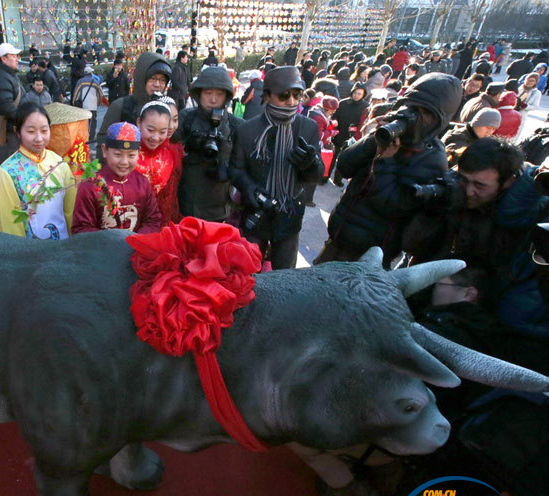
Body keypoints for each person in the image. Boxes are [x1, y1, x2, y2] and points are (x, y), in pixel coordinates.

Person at [403, 139, 549, 339]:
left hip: (479, 314)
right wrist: (434, 213)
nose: (469, 191)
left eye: (480, 185)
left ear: (509, 181)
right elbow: (415, 246)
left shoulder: (526, 214)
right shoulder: (454, 192)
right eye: (464, 179)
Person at [314, 73, 462, 265]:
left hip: (370, 257)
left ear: (438, 120)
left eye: (424, 112)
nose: (413, 116)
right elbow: (344, 166)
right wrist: (372, 141)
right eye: (411, 106)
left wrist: (385, 161)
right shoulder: (388, 134)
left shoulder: (432, 158)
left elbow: (394, 205)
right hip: (337, 240)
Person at [230, 66, 324, 269]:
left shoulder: (308, 127)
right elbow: (235, 170)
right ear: (267, 96)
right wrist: (249, 188)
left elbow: (315, 176)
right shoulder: (247, 129)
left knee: (285, 276)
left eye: (297, 94)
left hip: (290, 214)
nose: (291, 101)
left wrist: (310, 164)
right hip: (256, 212)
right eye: (284, 95)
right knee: (247, 271)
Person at [0, 102, 76, 239]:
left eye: (44, 131)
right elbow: (9, 225)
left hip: (64, 246)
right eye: (31, 131)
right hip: (31, 254)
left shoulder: (59, 163)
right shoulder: (7, 173)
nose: (39, 138)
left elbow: (71, 210)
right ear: (17, 131)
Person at [176, 66, 243, 222]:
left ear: (227, 96)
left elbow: (245, 167)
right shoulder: (186, 118)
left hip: (220, 208)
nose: (213, 99)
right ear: (199, 94)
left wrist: (227, 169)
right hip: (187, 203)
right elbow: (168, 154)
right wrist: (188, 148)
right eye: (208, 93)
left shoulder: (235, 125)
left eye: (219, 94)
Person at [72, 122, 163, 234]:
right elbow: (81, 227)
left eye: (131, 155)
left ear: (139, 153)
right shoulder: (90, 186)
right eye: (118, 154)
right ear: (105, 151)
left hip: (136, 247)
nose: (124, 162)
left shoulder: (143, 183)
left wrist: (136, 241)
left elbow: (153, 220)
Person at [97, 52, 171, 148]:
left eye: (162, 80)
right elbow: (103, 142)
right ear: (141, 78)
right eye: (152, 78)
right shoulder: (120, 106)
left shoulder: (167, 108)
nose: (157, 84)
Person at [135, 100, 181, 224]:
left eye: (162, 132)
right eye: (150, 130)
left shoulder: (173, 153)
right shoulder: (128, 154)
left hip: (163, 224)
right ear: (139, 123)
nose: (155, 138)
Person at [0, 43, 26, 150]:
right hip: (13, 130)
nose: (17, 59)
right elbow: (5, 105)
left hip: (17, 127)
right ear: (4, 59)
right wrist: (23, 119)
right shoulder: (2, 77)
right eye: (14, 56)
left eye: (17, 56)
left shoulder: (8, 74)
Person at [72, 67, 104, 145]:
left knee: (83, 122)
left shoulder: (80, 82)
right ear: (91, 73)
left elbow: (76, 93)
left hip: (83, 105)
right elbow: (100, 94)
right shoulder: (95, 82)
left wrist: (74, 103)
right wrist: (98, 103)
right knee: (93, 121)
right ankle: (91, 137)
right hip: (93, 105)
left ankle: (83, 136)